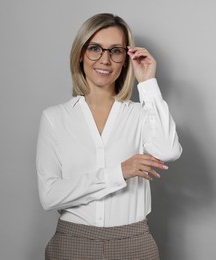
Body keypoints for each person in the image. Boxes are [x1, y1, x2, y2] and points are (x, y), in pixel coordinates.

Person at [36, 13, 182, 259]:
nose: (105, 60)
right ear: (80, 53)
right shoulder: (55, 118)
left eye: (115, 51)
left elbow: (168, 151)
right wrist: (120, 171)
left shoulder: (140, 114)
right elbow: (50, 196)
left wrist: (147, 82)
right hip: (72, 244)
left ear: (125, 59)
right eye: (95, 48)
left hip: (134, 244)